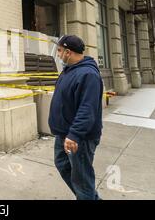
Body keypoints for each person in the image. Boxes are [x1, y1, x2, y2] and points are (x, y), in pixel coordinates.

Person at [48, 35, 103, 200]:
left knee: (82, 180)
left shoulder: (88, 74)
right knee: (63, 165)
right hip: (64, 134)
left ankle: (86, 196)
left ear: (68, 52)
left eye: (59, 50)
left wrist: (74, 135)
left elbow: (88, 109)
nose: (58, 54)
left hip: (79, 138)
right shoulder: (69, 71)